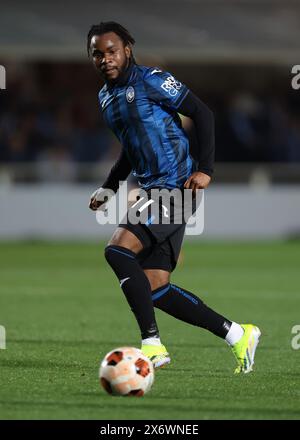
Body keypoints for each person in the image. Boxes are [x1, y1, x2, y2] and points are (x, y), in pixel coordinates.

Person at [88, 21, 261, 373]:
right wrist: (109, 187)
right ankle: (237, 334)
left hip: (176, 186)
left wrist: (207, 169)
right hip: (154, 189)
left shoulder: (152, 80)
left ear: (128, 50)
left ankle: (152, 345)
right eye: (97, 53)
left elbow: (202, 113)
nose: (106, 58)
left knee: (117, 251)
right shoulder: (106, 97)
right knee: (156, 288)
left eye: (112, 50)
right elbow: (130, 149)